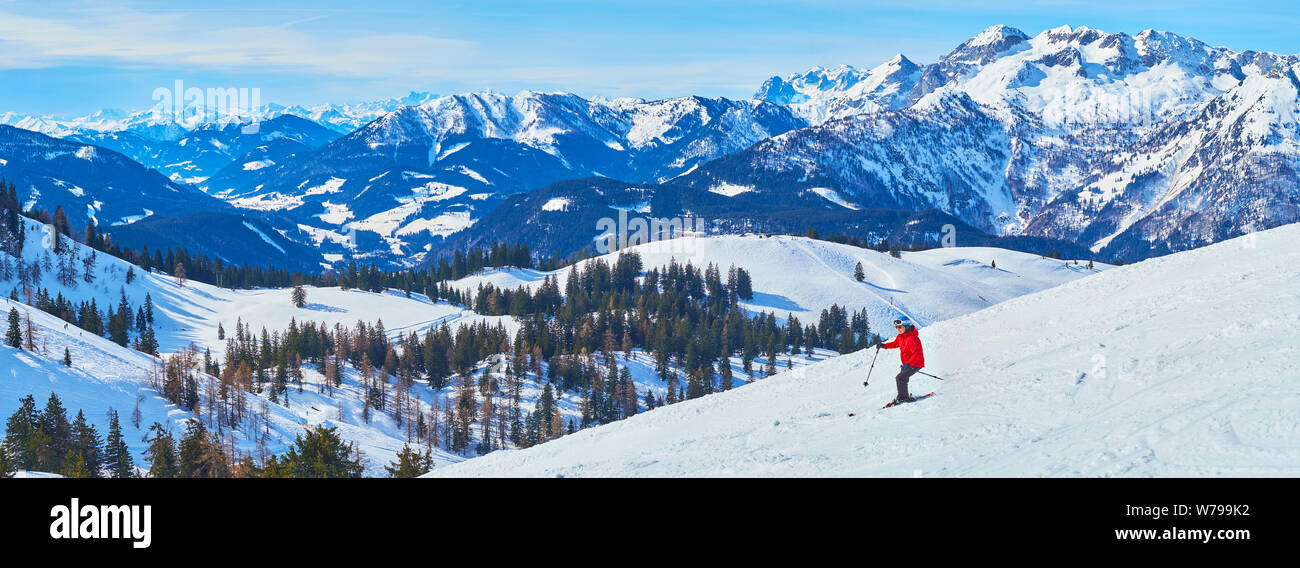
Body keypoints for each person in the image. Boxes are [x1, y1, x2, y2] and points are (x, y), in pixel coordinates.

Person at [878, 316, 924, 405]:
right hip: (907, 364)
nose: (898, 329)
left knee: (900, 378)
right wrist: (884, 346)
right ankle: (904, 396)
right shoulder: (901, 337)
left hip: (916, 363)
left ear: (906, 326)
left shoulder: (912, 338)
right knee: (902, 378)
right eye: (896, 327)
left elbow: (917, 354)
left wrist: (909, 364)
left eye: (900, 327)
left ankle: (903, 397)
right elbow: (895, 344)